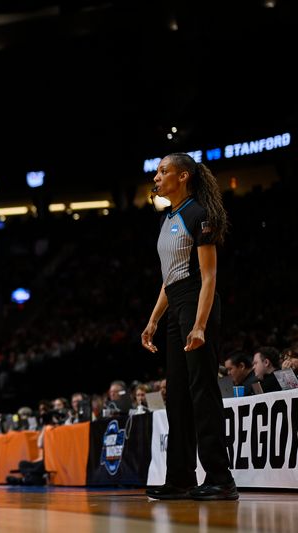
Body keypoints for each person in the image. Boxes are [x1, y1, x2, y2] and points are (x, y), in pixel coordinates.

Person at [141, 153, 237, 501]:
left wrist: (199, 325)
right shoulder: (168, 219)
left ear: (183, 177)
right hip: (176, 305)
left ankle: (220, 479)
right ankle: (180, 478)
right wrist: (153, 320)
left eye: (163, 171)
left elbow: (209, 276)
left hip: (198, 304)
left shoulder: (199, 214)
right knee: (178, 396)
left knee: (202, 392)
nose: (157, 176)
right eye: (157, 171)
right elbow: (169, 279)